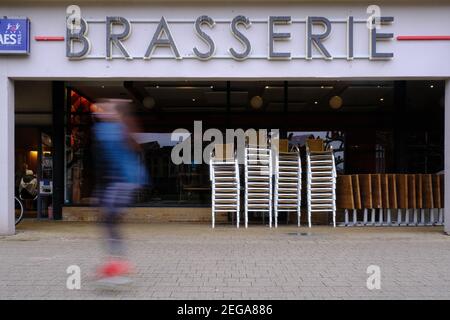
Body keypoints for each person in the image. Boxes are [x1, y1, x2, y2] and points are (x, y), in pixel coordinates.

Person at [91, 99, 147, 282]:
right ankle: (117, 261)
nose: (101, 111)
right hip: (125, 182)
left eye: (106, 109)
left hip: (120, 183)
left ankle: (118, 263)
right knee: (109, 221)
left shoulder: (107, 131)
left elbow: (103, 163)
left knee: (108, 221)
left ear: (116, 114)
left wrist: (99, 193)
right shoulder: (120, 129)